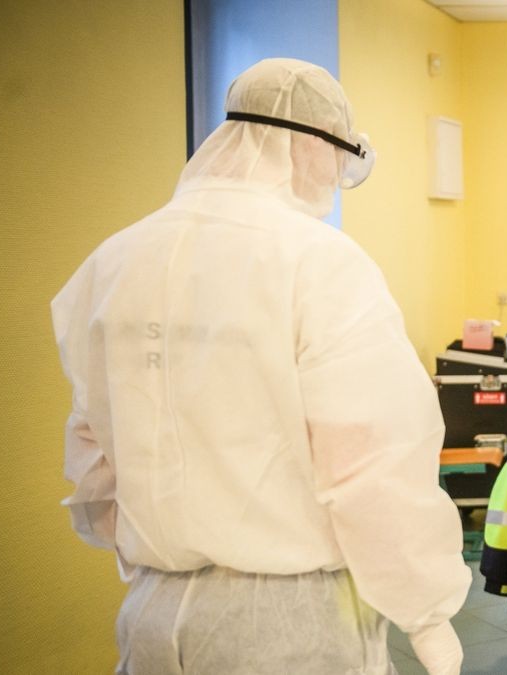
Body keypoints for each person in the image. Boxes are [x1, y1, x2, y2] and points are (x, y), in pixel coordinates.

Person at [52, 58, 469, 674]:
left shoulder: (111, 261)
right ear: (311, 146)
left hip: (151, 612)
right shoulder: (320, 262)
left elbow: (92, 454)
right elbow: (373, 468)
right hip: (287, 627)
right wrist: (429, 618)